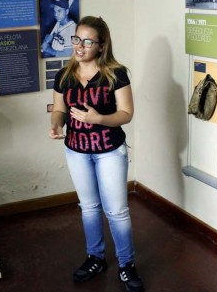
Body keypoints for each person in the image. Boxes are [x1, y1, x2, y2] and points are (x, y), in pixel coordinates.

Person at [49, 16, 144, 292]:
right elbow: (59, 109)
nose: (80, 46)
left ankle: (127, 264)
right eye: (77, 39)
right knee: (89, 208)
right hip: (77, 151)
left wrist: (97, 119)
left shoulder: (116, 73)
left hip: (109, 151)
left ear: (101, 46)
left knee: (116, 211)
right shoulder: (64, 75)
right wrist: (56, 123)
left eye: (88, 41)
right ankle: (96, 258)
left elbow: (126, 114)